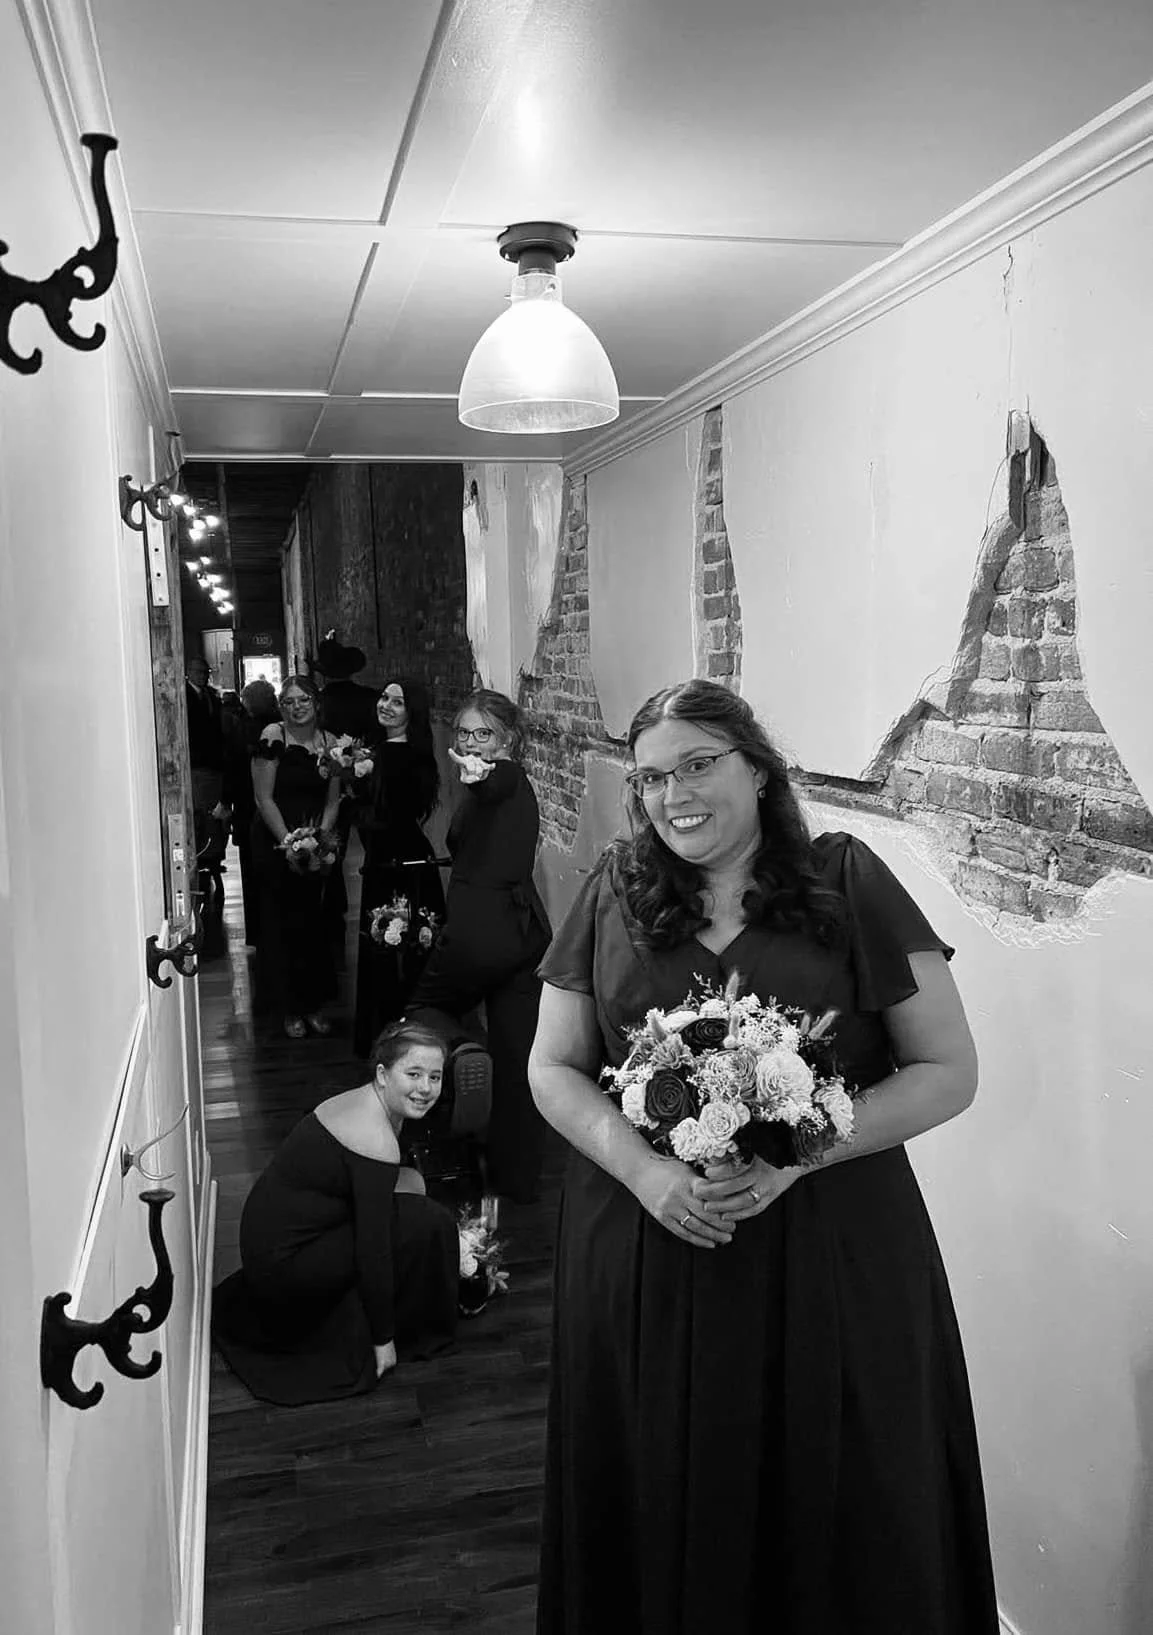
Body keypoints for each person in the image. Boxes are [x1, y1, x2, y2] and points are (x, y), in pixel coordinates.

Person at [528, 678, 999, 1635]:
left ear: (756, 767)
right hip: (649, 1239)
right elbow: (552, 1067)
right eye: (652, 777)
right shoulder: (613, 888)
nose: (674, 794)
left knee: (840, 1480)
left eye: (698, 764)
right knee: (659, 1471)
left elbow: (947, 1070)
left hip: (830, 1249)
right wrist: (648, 1172)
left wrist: (800, 1154)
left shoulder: (845, 882)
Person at [211, 1020, 460, 1405]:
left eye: (435, 1077)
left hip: (273, 1243)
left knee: (412, 1185)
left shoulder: (365, 1101)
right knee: (425, 1219)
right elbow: (373, 1250)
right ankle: (412, 1322)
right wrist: (382, 1340)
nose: (426, 1088)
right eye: (413, 1074)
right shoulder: (373, 1136)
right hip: (286, 1269)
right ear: (382, 1074)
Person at [407, 689, 552, 1205]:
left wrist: (480, 773)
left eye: (484, 734)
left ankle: (460, 1059)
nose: (471, 744)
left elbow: (495, 780)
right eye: (465, 734)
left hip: (478, 936)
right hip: (524, 938)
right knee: (518, 1060)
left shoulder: (502, 777)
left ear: (507, 740)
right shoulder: (516, 788)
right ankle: (518, 1178)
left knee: (419, 1017)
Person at [353, 677, 446, 1058]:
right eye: (384, 696)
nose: (385, 705)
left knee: (399, 947)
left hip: (400, 862)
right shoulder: (379, 751)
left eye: (397, 702)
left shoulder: (402, 756)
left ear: (413, 712)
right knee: (387, 946)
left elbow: (391, 814)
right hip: (385, 860)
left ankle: (402, 1034)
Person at [251, 675, 341, 1038]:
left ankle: (314, 1002)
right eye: (289, 701)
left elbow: (334, 799)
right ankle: (288, 1007)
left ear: (316, 703)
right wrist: (289, 840)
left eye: (303, 700)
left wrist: (319, 839)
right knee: (280, 924)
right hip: (276, 837)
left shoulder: (330, 743)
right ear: (280, 707)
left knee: (314, 925)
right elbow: (263, 798)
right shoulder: (273, 737)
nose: (297, 707)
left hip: (315, 839)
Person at [312, 634, 378, 944]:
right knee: (376, 848)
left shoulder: (319, 703)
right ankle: (378, 910)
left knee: (330, 850)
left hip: (330, 785)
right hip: (367, 782)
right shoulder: (370, 698)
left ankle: (331, 914)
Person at [222, 677, 279, 949]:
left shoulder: (241, 729)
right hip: (278, 807)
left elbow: (232, 768)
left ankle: (256, 931)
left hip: (247, 808)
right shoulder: (281, 728)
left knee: (251, 872)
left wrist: (225, 801)